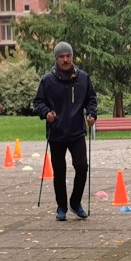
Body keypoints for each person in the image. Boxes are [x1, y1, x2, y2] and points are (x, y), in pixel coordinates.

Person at [33, 41, 97, 221]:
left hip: (77, 132)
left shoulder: (83, 78)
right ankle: (61, 206)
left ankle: (75, 202)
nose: (65, 59)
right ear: (56, 59)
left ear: (72, 57)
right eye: (61, 57)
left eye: (68, 56)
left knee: (82, 166)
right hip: (57, 133)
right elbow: (38, 102)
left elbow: (91, 99)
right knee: (59, 171)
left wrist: (91, 114)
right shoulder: (47, 80)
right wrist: (47, 113)